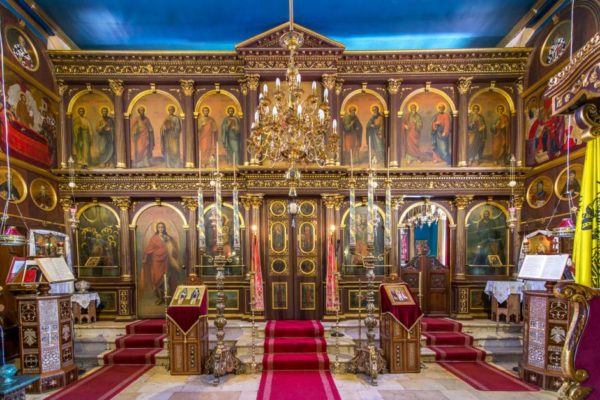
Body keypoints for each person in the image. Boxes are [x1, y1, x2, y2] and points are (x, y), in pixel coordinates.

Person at [141, 222, 181, 305]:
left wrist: (170, 246)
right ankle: (160, 297)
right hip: (156, 261)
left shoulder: (167, 237)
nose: (161, 229)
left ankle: (166, 297)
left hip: (166, 260)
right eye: (159, 227)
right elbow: (149, 248)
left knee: (166, 279)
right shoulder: (154, 238)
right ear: (157, 228)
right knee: (156, 279)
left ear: (164, 228)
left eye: (162, 227)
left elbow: (173, 248)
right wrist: (146, 256)